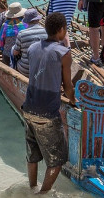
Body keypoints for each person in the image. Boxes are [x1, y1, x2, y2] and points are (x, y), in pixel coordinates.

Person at [21, 12, 74, 195]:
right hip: (47, 114)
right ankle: (42, 194)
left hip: (28, 108)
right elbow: (68, 87)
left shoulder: (33, 48)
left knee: (33, 156)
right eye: (65, 29)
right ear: (61, 30)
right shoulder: (64, 53)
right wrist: (74, 100)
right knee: (57, 161)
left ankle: (32, 188)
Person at [11, 9, 46, 75]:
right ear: (38, 20)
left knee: (13, 50)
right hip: (43, 70)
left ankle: (12, 69)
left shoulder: (22, 33)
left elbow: (15, 53)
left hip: (26, 70)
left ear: (27, 22)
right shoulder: (46, 32)